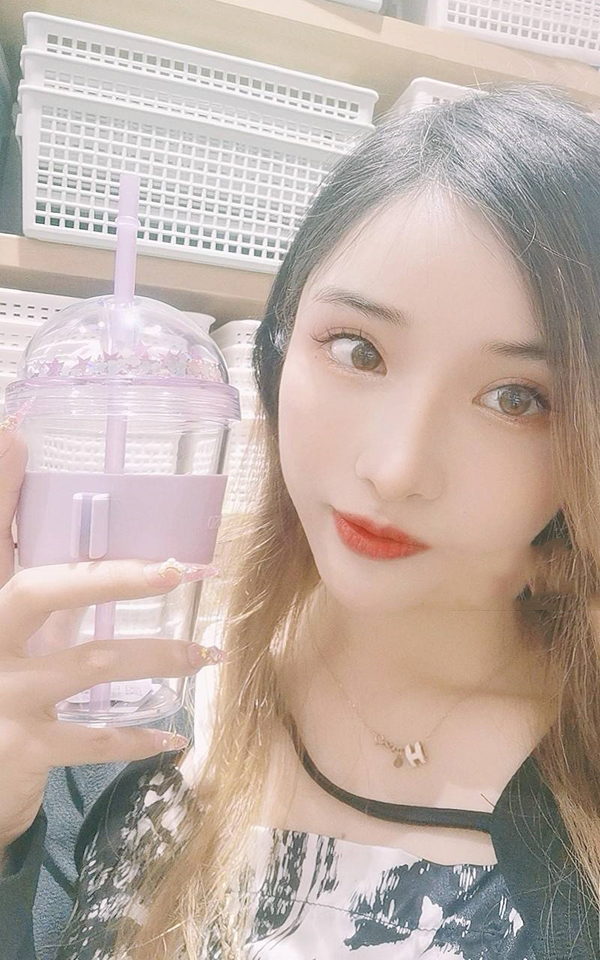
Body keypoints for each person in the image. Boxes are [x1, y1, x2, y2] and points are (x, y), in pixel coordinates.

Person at [1, 78, 599, 960]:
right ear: (278, 349)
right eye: (359, 350)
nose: (395, 469)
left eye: (516, 398)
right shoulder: (123, 698)